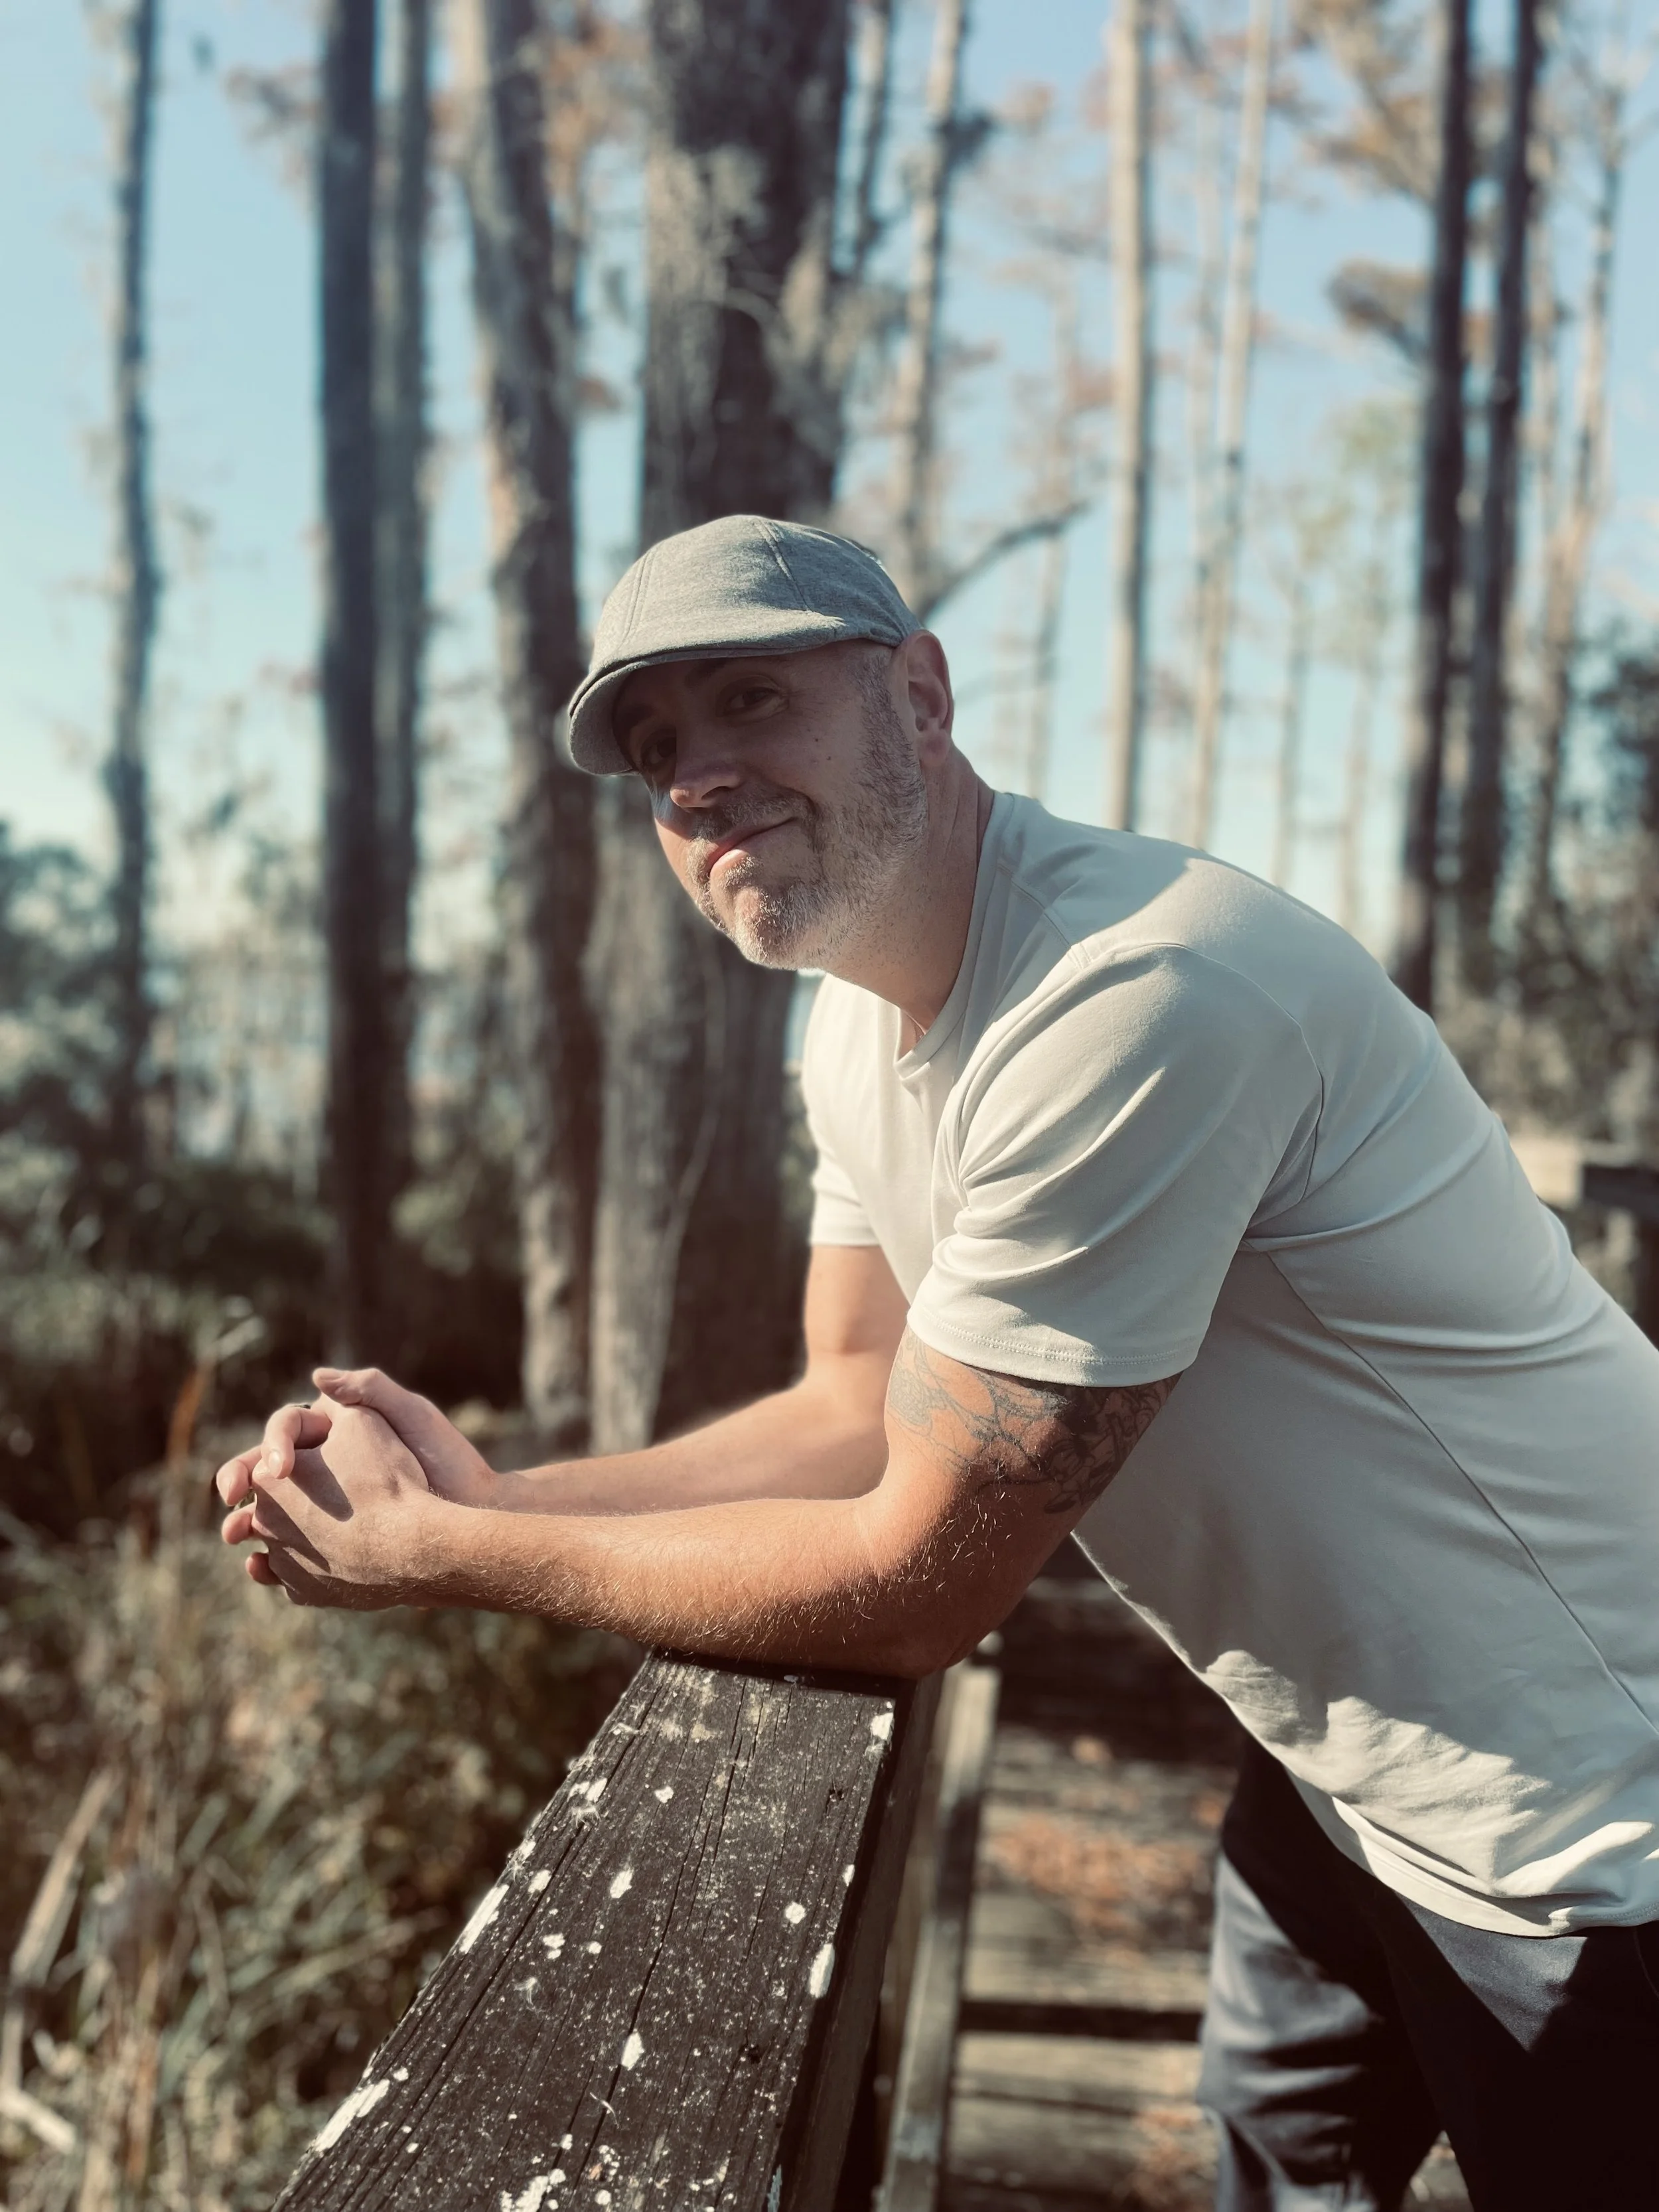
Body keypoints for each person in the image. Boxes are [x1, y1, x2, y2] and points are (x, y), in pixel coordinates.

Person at [217, 515, 1659, 2210]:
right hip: (1340, 1751)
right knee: (1281, 2157)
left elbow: (912, 1581)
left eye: (752, 700)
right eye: (657, 748)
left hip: (1584, 1802)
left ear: (919, 692)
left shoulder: (1134, 992)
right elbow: (853, 1406)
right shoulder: (851, 1011)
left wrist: (451, 1555)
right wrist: (500, 1492)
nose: (696, 776)